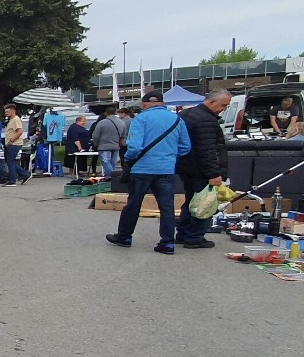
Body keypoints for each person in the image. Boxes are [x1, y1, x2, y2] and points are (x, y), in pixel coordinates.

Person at [106, 90, 191, 254]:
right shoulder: (177, 120)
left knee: (134, 204)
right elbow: (185, 147)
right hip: (166, 169)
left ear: (144, 105)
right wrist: (169, 156)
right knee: (167, 207)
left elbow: (135, 147)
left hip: (142, 169)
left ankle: (124, 237)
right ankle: (167, 243)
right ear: (162, 104)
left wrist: (129, 159)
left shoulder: (141, 118)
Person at [175, 89, 232, 249]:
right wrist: (214, 173)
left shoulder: (186, 114)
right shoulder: (206, 120)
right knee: (204, 204)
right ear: (212, 102)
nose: (224, 109)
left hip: (185, 166)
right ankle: (194, 237)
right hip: (200, 170)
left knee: (190, 201)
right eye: (223, 105)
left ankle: (183, 233)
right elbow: (207, 150)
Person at [91, 106, 127, 178]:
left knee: (106, 162)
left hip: (104, 146)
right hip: (116, 145)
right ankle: (112, 178)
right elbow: (123, 135)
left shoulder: (102, 123)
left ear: (106, 113)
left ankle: (112, 177)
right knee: (112, 163)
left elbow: (95, 135)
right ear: (115, 112)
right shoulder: (121, 122)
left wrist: (95, 144)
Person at [2, 104, 32, 186]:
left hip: (14, 144)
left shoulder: (15, 119)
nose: (6, 113)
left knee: (10, 161)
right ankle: (24, 174)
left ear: (12, 111)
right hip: (11, 144)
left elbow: (20, 131)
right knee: (10, 161)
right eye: (5, 112)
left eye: (7, 112)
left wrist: (12, 139)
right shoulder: (11, 120)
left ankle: (12, 180)